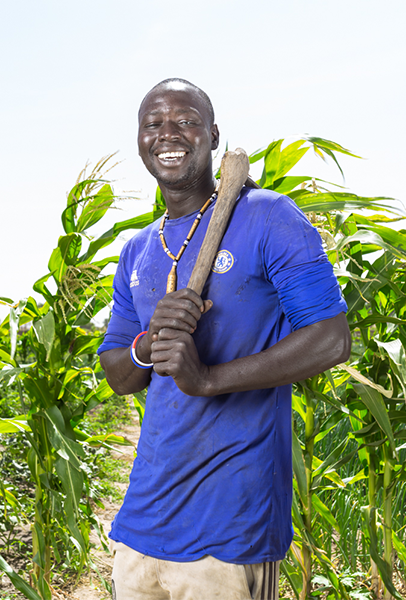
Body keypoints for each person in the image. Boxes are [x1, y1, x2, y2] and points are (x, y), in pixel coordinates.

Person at [97, 78, 351, 600]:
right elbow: (119, 374)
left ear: (213, 136)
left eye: (186, 121)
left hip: (230, 530)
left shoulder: (266, 215)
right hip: (142, 526)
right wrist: (151, 342)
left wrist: (208, 378)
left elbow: (330, 340)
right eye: (154, 124)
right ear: (140, 140)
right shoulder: (138, 250)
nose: (168, 133)